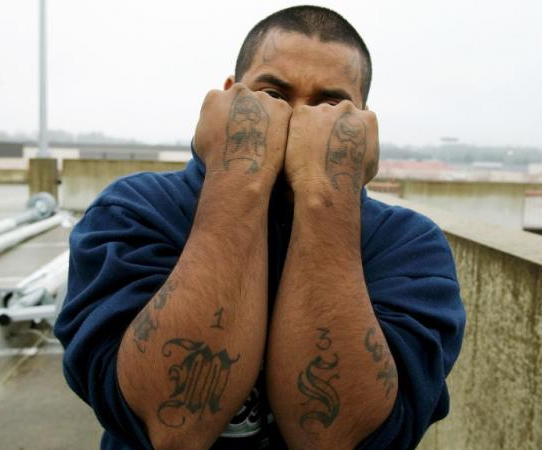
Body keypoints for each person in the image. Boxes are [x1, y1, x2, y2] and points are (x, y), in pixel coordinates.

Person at [54, 5, 465, 450]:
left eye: (328, 106)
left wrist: (325, 196)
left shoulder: (409, 246)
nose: (296, 121)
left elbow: (338, 439)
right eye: (273, 94)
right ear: (230, 97)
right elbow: (171, 428)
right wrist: (239, 177)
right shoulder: (136, 210)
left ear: (361, 123)